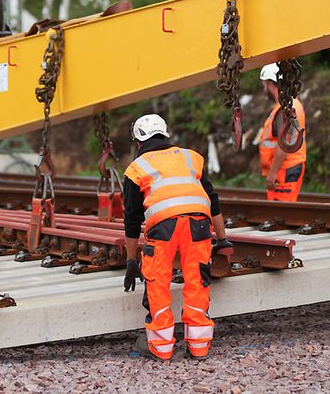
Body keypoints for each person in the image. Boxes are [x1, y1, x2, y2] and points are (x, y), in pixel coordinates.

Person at [122, 114, 233, 360]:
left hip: (163, 228)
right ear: (165, 135)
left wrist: (131, 260)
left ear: (138, 143)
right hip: (199, 225)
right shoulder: (190, 157)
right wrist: (222, 238)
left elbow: (131, 219)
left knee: (158, 282)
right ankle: (199, 346)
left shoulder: (136, 168)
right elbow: (212, 199)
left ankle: (161, 349)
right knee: (197, 281)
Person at [258, 63, 307, 201]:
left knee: (281, 215)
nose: (264, 89)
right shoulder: (289, 105)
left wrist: (272, 173)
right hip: (286, 167)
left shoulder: (285, 109)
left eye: (264, 85)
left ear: (270, 84)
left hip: (285, 169)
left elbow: (283, 144)